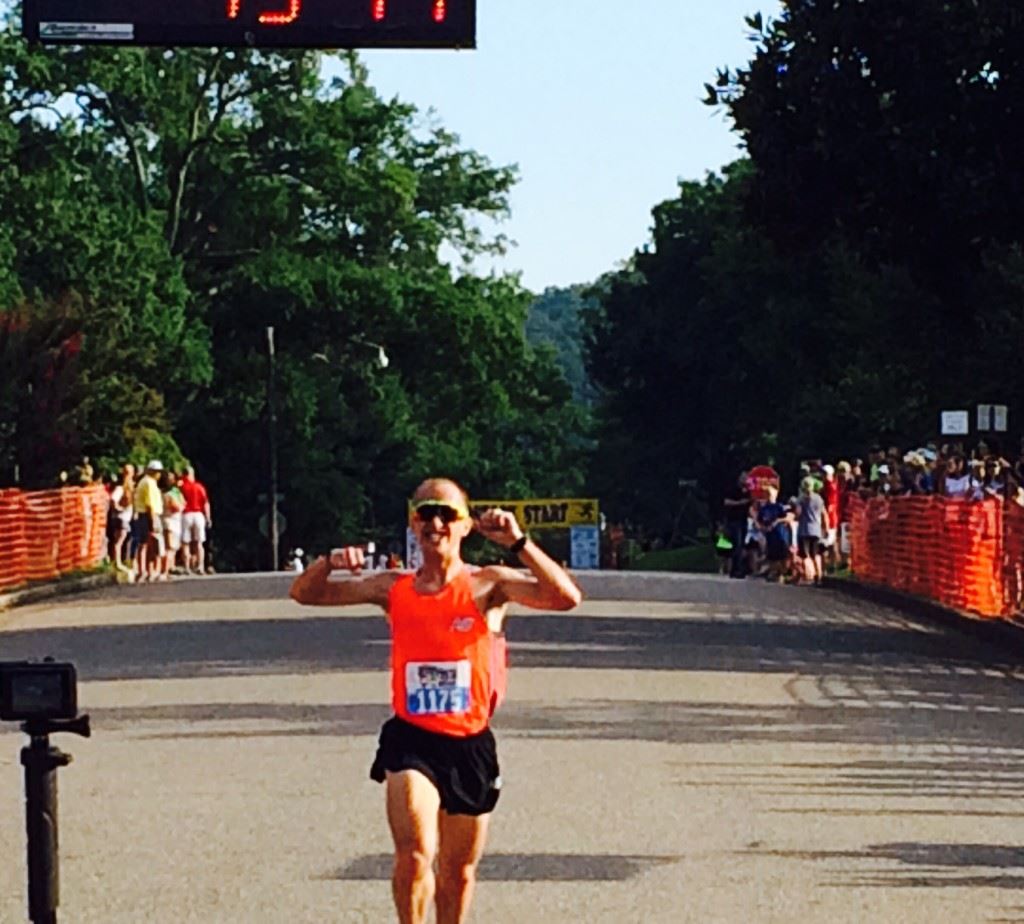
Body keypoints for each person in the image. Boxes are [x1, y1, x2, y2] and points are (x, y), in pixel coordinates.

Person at [289, 477, 582, 924]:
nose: (436, 523)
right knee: (414, 853)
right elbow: (304, 593)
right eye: (426, 513)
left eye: (447, 514)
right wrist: (329, 561)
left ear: (465, 526)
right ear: (414, 523)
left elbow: (566, 597)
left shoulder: (490, 586)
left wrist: (519, 542)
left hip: (470, 745)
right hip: (412, 739)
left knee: (458, 873)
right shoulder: (394, 587)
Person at [132, 460, 165, 582]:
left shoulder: (144, 481)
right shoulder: (149, 483)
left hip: (144, 515)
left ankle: (144, 571)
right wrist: (152, 523)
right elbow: (150, 505)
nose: (159, 475)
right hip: (149, 515)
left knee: (144, 544)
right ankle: (150, 571)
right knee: (152, 544)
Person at [180, 466, 212, 575]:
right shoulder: (199, 487)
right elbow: (206, 503)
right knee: (199, 543)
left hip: (186, 514)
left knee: (185, 543)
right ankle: (200, 566)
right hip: (198, 515)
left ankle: (187, 567)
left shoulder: (182, 487)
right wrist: (208, 517)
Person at [796, 476, 828, 585]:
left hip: (804, 530)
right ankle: (819, 576)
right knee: (816, 554)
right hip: (816, 529)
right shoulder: (819, 498)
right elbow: (824, 514)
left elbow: (798, 513)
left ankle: (809, 576)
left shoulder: (801, 499)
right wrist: (826, 527)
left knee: (806, 555)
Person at [722, 472, 751, 578]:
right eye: (743, 478)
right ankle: (735, 569)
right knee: (737, 544)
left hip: (744, 520)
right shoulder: (733, 489)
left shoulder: (748, 491)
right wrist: (740, 503)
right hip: (734, 520)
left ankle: (739, 568)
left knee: (742, 545)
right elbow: (726, 502)